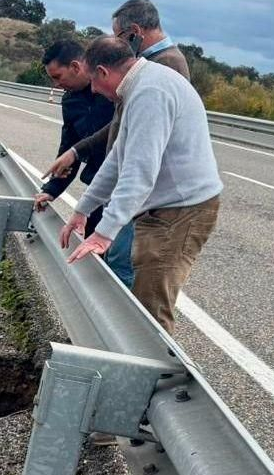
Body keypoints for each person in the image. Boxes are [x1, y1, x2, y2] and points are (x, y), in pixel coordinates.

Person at [63, 35, 222, 332]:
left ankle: (152, 362)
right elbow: (117, 159)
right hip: (167, 207)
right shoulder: (141, 85)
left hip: (181, 211)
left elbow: (139, 172)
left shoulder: (150, 93)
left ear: (103, 72)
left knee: (150, 310)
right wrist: (83, 209)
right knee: (141, 301)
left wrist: (103, 234)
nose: (93, 90)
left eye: (93, 81)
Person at [42, 0, 191, 189]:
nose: (118, 44)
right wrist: (75, 153)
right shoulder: (148, 63)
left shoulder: (165, 64)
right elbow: (122, 123)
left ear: (135, 32)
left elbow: (137, 134)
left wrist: (77, 152)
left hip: (152, 190)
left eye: (118, 36)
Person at [33, 40, 133, 287]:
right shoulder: (70, 101)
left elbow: (115, 137)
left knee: (120, 261)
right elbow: (69, 148)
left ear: (76, 67)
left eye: (58, 76)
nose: (56, 85)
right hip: (98, 190)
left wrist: (76, 151)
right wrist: (51, 190)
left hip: (125, 189)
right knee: (93, 254)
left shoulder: (113, 93)